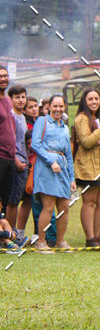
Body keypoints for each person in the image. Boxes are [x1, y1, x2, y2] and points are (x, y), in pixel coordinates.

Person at [73, 88, 100, 247]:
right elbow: (86, 142)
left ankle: (98, 236)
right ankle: (90, 238)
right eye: (90, 99)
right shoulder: (81, 118)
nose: (94, 102)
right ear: (84, 101)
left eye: (96, 99)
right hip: (88, 165)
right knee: (89, 201)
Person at [31, 94, 76, 251]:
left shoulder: (65, 127)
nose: (58, 109)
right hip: (46, 169)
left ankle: (60, 241)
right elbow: (35, 145)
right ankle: (41, 242)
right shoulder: (42, 121)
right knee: (48, 206)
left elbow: (68, 155)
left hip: (62, 169)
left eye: (61, 106)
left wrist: (72, 178)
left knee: (64, 207)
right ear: (49, 107)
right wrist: (51, 161)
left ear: (64, 107)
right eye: (55, 106)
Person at [6, 85, 28, 237]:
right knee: (12, 201)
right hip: (15, 163)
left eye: (23, 97)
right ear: (11, 99)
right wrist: (16, 162)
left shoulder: (22, 116)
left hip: (23, 162)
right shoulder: (12, 116)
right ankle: (10, 235)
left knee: (16, 201)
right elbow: (8, 142)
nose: (21, 100)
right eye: (17, 97)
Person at [0, 66, 15, 218]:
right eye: (0, 76)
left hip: (10, 157)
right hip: (0, 156)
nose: (3, 79)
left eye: (5, 75)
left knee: (5, 199)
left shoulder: (8, 100)